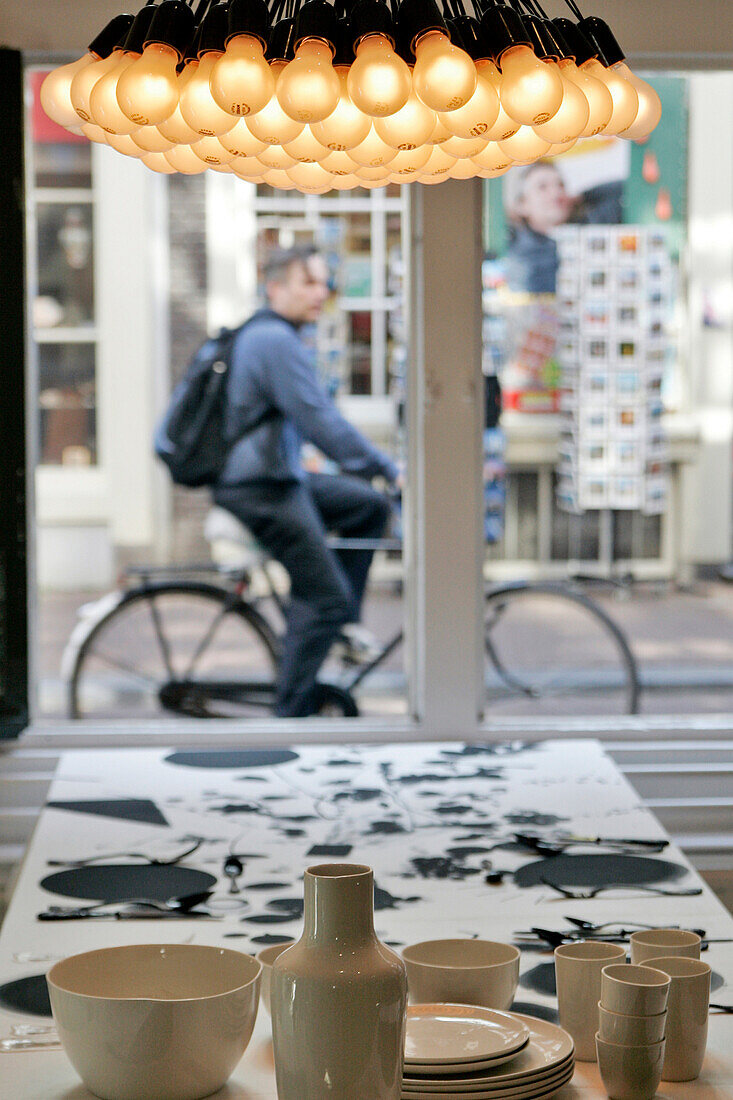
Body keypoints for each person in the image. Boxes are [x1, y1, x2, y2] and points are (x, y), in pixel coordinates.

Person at [213, 244, 401, 717]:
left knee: (368, 507)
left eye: (324, 282)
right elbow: (321, 421)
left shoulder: (271, 335)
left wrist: (371, 475)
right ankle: (290, 717)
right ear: (275, 288)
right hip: (261, 489)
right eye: (309, 282)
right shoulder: (274, 340)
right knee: (324, 597)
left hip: (277, 478)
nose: (322, 292)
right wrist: (385, 467)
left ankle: (337, 624)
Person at [504, 159, 624, 294]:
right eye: (542, 187)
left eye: (561, 185)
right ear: (522, 205)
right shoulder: (520, 252)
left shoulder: (588, 225)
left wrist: (583, 196)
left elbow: (626, 188)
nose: (556, 193)